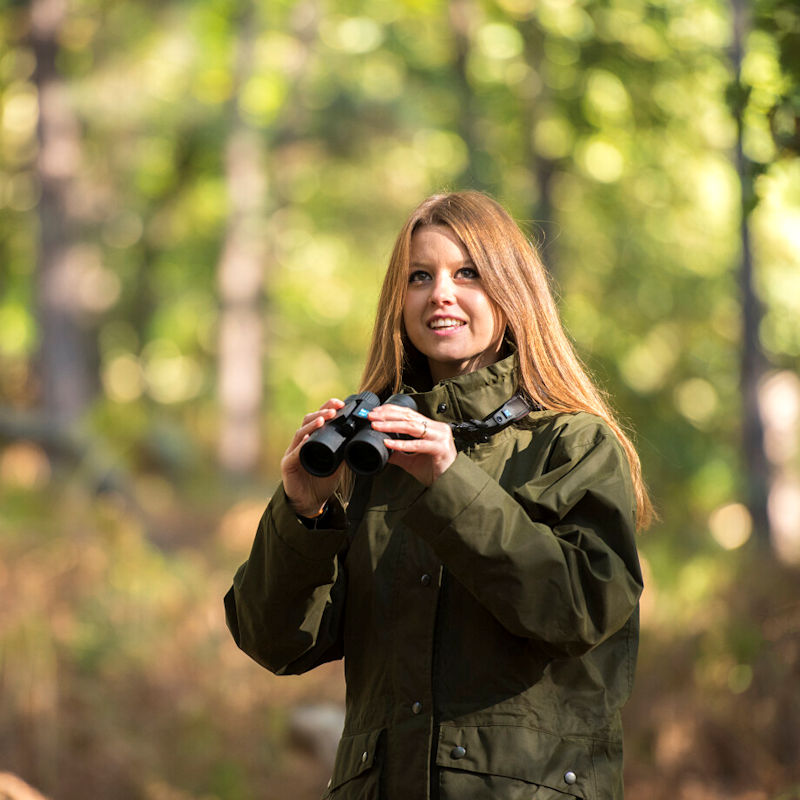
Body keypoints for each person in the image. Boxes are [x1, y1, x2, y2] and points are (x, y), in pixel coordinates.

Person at [224, 191, 653, 800]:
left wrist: (450, 481)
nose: (440, 294)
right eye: (420, 276)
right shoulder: (371, 457)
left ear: (512, 291)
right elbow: (275, 643)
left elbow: (579, 611)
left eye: (467, 273)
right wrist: (304, 511)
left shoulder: (573, 443)